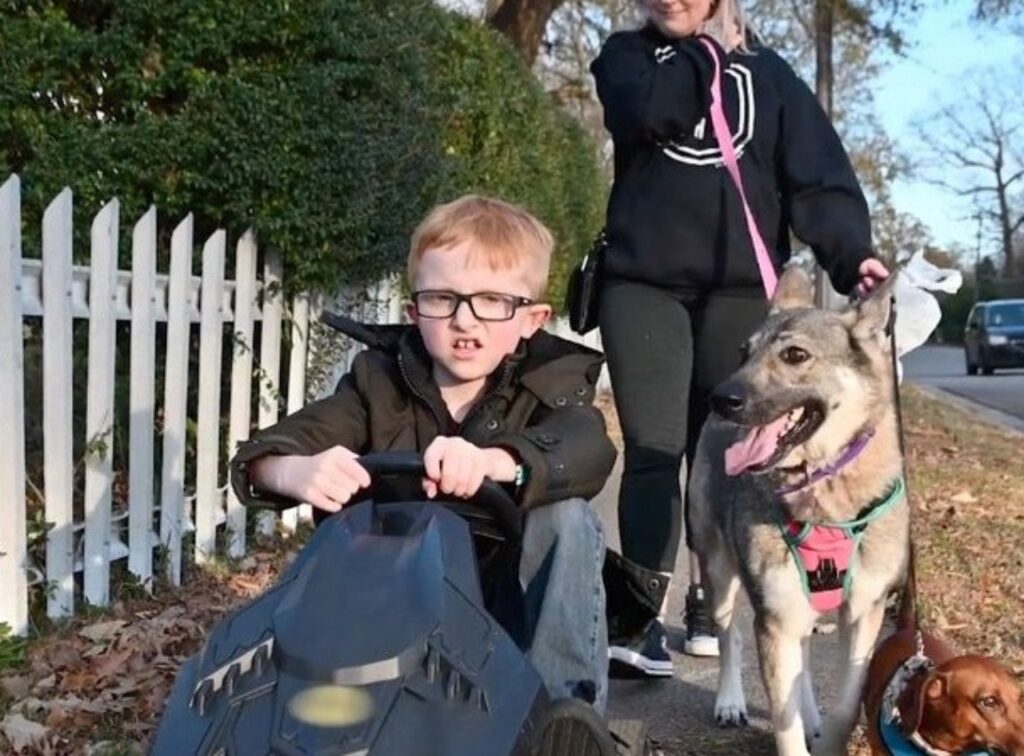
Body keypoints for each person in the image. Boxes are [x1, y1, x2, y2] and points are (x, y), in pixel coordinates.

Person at [590, 0, 889, 676]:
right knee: (655, 446)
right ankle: (638, 615)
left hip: (739, 290)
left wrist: (851, 257)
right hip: (643, 285)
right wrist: (708, 51)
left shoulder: (771, 77)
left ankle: (708, 597)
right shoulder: (626, 59)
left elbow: (817, 179)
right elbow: (652, 114)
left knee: (724, 447)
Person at [229, 195, 617, 712]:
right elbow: (292, 438)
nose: (464, 320)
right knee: (334, 544)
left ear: (532, 318)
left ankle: (562, 711)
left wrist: (492, 461)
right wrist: (293, 468)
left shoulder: (553, 384)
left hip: (511, 597)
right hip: (395, 598)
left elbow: (586, 446)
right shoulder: (377, 381)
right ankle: (297, 701)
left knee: (569, 518)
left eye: (492, 301)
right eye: (442, 299)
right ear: (414, 311)